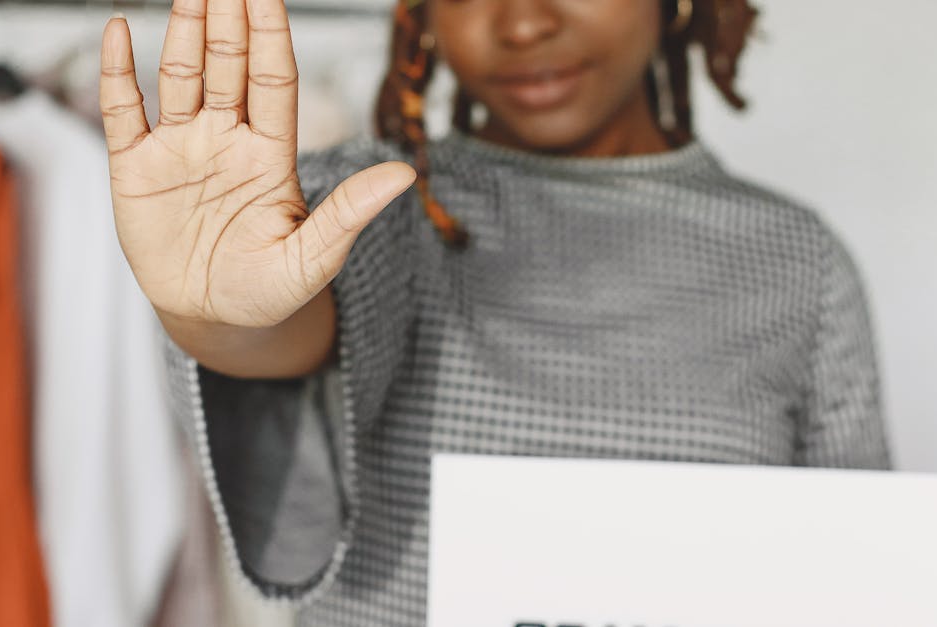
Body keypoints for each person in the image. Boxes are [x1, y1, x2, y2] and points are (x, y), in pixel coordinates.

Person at [99, 0, 892, 625]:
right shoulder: (387, 206)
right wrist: (219, 314)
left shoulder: (799, 261)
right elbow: (285, 332)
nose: (521, 23)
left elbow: (863, 580)